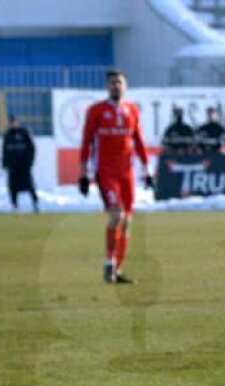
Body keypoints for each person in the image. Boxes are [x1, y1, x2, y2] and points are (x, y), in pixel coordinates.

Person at [79, 70, 153, 285]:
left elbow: (139, 141)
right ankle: (109, 262)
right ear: (107, 87)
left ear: (125, 86)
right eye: (112, 83)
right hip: (106, 171)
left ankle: (117, 270)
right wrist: (83, 174)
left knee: (128, 221)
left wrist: (147, 171)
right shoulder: (96, 111)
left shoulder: (132, 110)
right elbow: (86, 143)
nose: (116, 86)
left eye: (119, 83)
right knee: (117, 215)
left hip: (126, 173)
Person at [1, 116, 38, 213]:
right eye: (12, 122)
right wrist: (5, 163)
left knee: (29, 185)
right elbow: (4, 150)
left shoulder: (25, 133)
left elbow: (32, 149)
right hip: (13, 165)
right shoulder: (7, 134)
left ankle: (35, 203)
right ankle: (14, 205)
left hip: (24, 164)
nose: (14, 124)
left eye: (15, 122)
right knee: (13, 186)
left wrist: (29, 162)